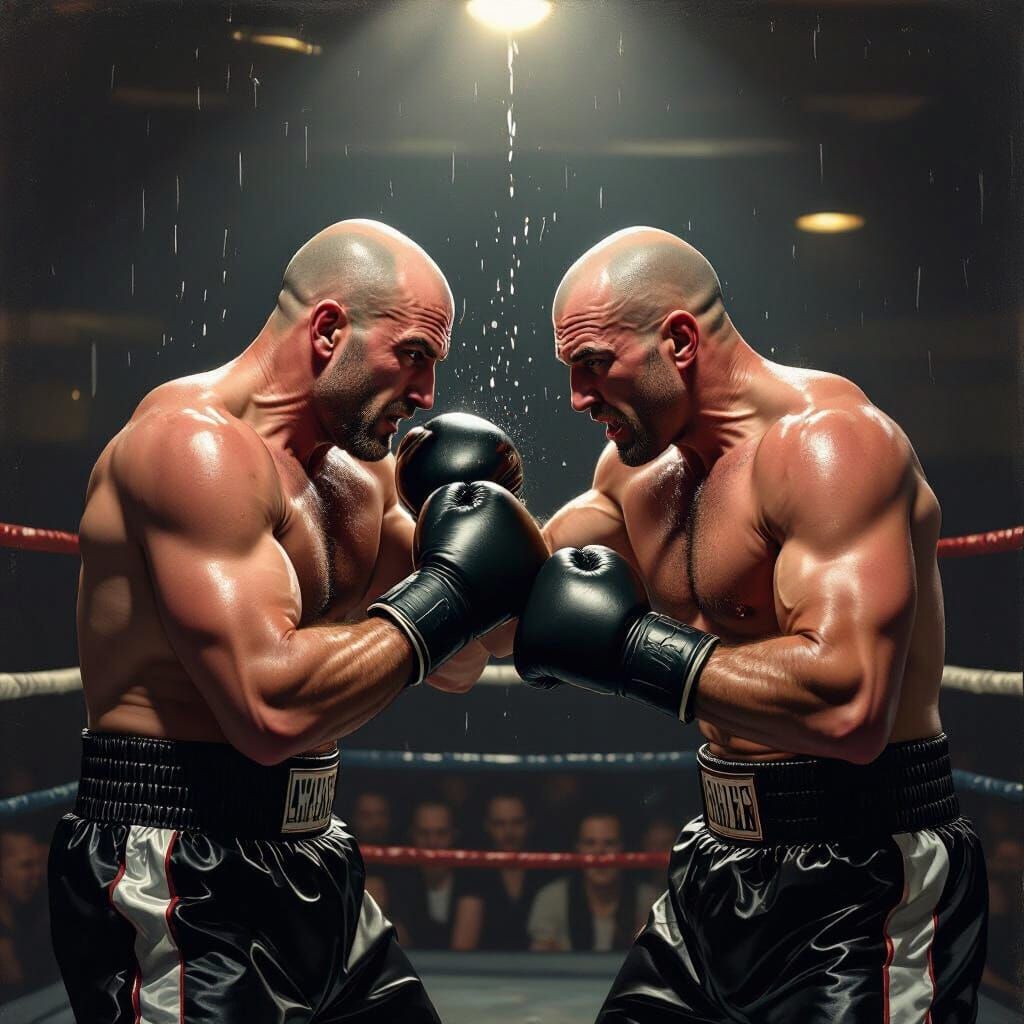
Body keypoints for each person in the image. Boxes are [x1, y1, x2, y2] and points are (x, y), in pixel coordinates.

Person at [50, 219, 547, 1023]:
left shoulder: (360, 475)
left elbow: (457, 662)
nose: (424, 394)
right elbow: (268, 710)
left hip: (313, 851)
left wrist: (501, 539)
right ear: (328, 329)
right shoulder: (193, 448)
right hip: (176, 861)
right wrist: (451, 589)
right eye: (413, 354)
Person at [510, 226, 987, 1021]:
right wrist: (453, 525)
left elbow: (850, 707)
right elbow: (507, 612)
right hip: (717, 862)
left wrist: (636, 648)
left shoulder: (829, 447)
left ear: (680, 339)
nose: (578, 396)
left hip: (865, 875)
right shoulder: (635, 477)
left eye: (595, 364)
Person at [526, 810, 637, 953]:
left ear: (622, 848)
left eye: (610, 843)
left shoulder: (650, 901)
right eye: (590, 843)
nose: (599, 853)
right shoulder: (551, 898)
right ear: (578, 849)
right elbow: (538, 963)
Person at [451, 791, 542, 951]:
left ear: (529, 824)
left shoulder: (544, 871)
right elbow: (462, 949)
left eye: (517, 823)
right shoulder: (475, 875)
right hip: (485, 970)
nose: (509, 832)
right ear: (487, 826)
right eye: (500, 824)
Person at [389, 799, 474, 950]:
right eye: (423, 833)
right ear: (412, 835)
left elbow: (463, 955)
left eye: (441, 833)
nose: (432, 841)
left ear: (454, 835)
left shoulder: (470, 880)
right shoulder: (398, 883)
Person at [0, 828, 53, 1002]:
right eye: (26, 865)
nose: (36, 874)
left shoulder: (26, 915)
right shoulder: (5, 948)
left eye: (38, 864)